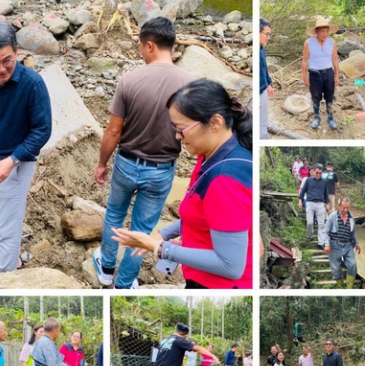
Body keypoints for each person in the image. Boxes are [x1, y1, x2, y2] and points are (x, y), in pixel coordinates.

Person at [112, 79, 253, 289]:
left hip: (217, 285)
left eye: (182, 129)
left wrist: (159, 247)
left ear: (215, 122)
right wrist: (164, 233)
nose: (178, 136)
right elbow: (206, 215)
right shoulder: (209, 154)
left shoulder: (225, 179)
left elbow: (230, 265)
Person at [93, 17, 195, 289]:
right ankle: (124, 283)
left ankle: (105, 269)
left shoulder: (130, 80)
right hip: (161, 170)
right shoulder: (190, 84)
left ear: (150, 45)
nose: (140, 51)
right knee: (142, 229)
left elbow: (114, 131)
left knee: (114, 214)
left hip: (126, 163)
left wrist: (102, 163)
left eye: (140, 46)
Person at [0, 21, 51, 273]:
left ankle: (7, 276)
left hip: (17, 161)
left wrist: (13, 159)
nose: (1, 68)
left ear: (16, 51)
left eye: (8, 60)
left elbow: (42, 130)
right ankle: (11, 258)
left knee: (8, 227)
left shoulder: (32, 84)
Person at [302, 17, 340, 129]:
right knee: (315, 97)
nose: (325, 34)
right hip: (314, 74)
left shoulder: (332, 42)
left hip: (328, 73)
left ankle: (330, 118)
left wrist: (337, 75)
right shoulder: (308, 43)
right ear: (317, 31)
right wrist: (304, 76)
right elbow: (304, 60)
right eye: (323, 31)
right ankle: (316, 117)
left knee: (329, 97)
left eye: (327, 31)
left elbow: (335, 59)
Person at [324, 197, 362, 289]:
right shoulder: (332, 217)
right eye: (344, 207)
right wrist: (327, 244)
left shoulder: (351, 217)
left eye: (348, 207)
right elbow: (325, 232)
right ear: (339, 206)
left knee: (352, 265)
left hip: (348, 245)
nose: (346, 210)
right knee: (336, 268)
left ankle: (349, 288)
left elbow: (353, 232)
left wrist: (357, 244)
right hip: (334, 245)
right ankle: (340, 287)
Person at [299, 164, 330, 249]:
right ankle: (310, 235)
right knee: (309, 222)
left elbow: (326, 194)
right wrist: (300, 201)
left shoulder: (324, 182)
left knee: (321, 224)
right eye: (317, 172)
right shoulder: (308, 180)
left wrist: (327, 203)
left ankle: (320, 242)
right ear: (314, 171)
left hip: (320, 204)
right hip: (310, 202)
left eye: (320, 173)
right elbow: (303, 191)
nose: (318, 174)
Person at [259, 18, 274, 139]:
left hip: (262, 89)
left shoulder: (261, 48)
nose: (268, 38)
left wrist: (268, 83)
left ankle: (263, 137)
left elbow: (264, 67)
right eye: (267, 34)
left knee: (263, 121)